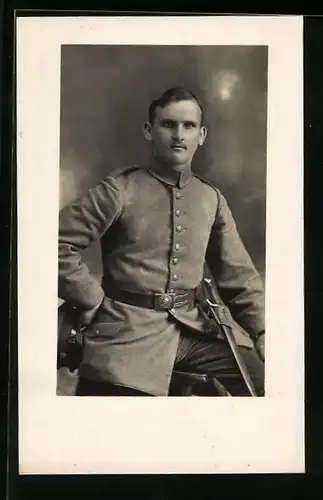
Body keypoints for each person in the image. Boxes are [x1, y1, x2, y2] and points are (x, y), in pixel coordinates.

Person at [58, 86, 265, 397]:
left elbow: (239, 276)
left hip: (192, 330)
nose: (178, 135)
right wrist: (92, 297)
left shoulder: (211, 199)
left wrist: (261, 330)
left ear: (202, 135)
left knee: (260, 382)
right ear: (148, 130)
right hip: (125, 335)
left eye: (188, 126)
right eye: (168, 125)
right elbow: (55, 244)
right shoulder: (120, 189)